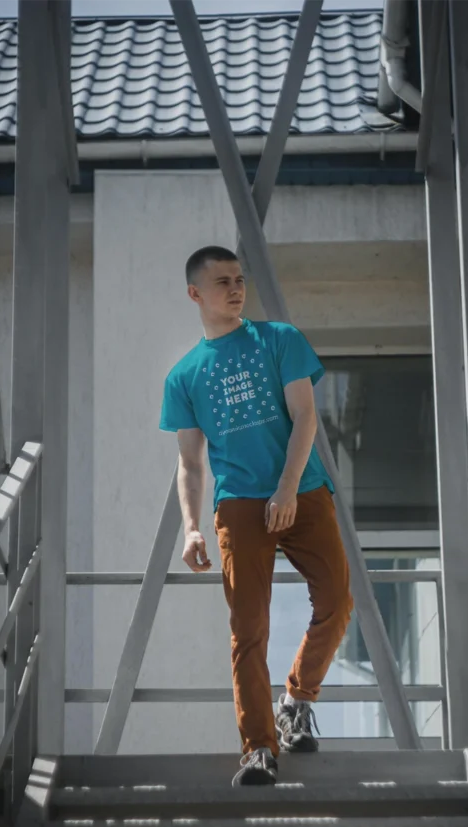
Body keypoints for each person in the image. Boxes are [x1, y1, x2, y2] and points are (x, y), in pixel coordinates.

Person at [160, 245, 353, 786]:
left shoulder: (279, 340)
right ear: (196, 293)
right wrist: (192, 526)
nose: (236, 288)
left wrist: (288, 489)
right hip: (239, 505)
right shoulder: (185, 376)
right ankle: (259, 749)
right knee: (248, 628)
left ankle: (297, 698)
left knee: (337, 600)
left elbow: (306, 416)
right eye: (222, 281)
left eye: (240, 279)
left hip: (304, 490)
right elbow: (191, 463)